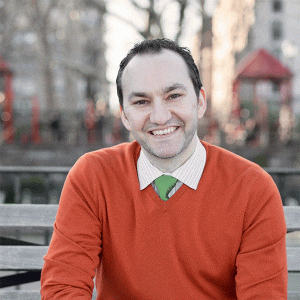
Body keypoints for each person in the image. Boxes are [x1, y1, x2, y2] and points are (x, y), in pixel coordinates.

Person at [40, 38, 287, 299]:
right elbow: (62, 287)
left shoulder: (253, 189)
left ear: (200, 101)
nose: (159, 116)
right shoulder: (92, 176)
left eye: (174, 96)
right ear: (124, 115)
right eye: (141, 102)